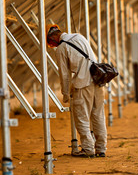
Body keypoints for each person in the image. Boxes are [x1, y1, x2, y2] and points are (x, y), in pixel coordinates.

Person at [46, 24, 107, 158]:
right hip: (98, 80)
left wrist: (66, 93)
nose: (53, 46)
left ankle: (88, 149)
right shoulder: (79, 37)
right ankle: (101, 149)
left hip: (82, 83)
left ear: (53, 38)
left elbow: (64, 74)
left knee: (82, 117)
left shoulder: (61, 48)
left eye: (51, 43)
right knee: (98, 116)